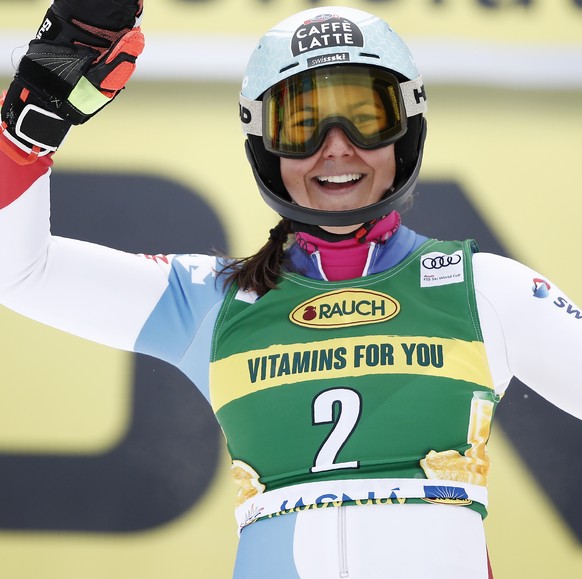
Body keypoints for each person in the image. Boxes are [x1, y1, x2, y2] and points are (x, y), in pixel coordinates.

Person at [1, 2, 581, 578]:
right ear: (265, 144)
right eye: (301, 124)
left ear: (407, 127)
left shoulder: (487, 290)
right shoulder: (211, 301)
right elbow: (18, 272)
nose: (337, 146)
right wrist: (31, 117)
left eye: (367, 117)